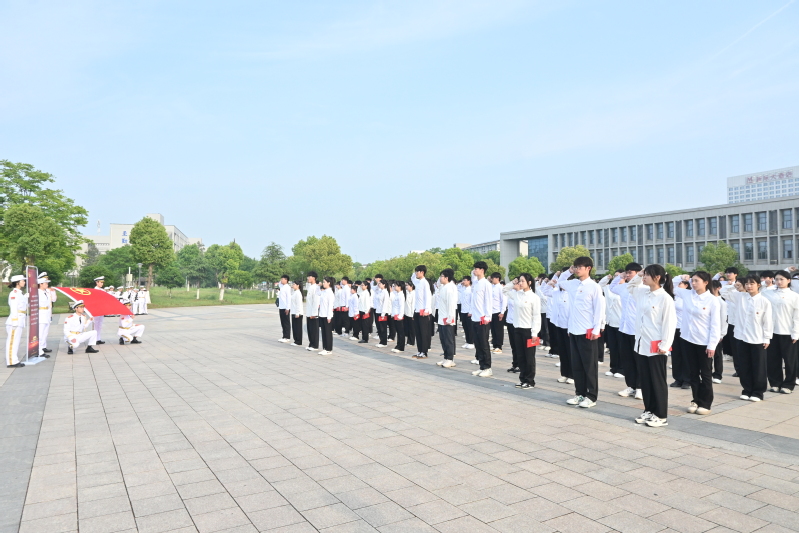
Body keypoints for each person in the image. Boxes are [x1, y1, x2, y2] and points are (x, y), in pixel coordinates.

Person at [625, 265, 677, 427]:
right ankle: (649, 410)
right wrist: (639, 274)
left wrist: (665, 344)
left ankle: (661, 415)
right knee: (646, 380)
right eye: (644, 274)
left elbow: (669, 324)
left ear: (657, 277)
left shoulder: (665, 298)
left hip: (656, 346)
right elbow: (630, 286)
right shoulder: (642, 292)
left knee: (657, 381)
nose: (644, 277)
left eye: (647, 275)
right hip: (642, 344)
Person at [558, 257, 606, 408]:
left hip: (588, 331)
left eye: (580, 267)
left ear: (588, 268)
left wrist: (597, 329)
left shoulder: (594, 287)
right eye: (575, 267)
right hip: (573, 330)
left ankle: (591, 396)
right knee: (577, 365)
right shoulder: (573, 284)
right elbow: (560, 281)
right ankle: (580, 394)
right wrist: (568, 271)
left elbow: (599, 309)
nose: (577, 269)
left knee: (589, 366)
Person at [675, 272, 721, 415]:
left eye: (696, 281)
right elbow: (670, 286)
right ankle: (695, 400)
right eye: (692, 280)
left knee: (705, 373)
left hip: (704, 342)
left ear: (706, 282)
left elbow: (715, 325)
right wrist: (681, 277)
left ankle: (706, 403)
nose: (693, 283)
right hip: (687, 339)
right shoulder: (687, 294)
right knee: (692, 372)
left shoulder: (712, 300)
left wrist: (712, 345)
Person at [722, 275, 772, 401]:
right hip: (741, 337)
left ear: (758, 285)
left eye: (752, 283)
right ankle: (747, 389)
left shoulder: (764, 301)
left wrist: (767, 338)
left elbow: (768, 321)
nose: (749, 286)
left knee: (758, 367)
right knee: (744, 365)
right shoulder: (740, 297)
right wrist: (733, 285)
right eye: (747, 284)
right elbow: (723, 292)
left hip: (757, 338)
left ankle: (758, 392)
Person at [761, 270, 799, 394]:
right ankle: (775, 383)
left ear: (789, 280)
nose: (779, 281)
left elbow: (797, 316)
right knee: (772, 359)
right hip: (771, 332)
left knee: (790, 360)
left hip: (788, 332)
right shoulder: (767, 293)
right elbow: (756, 290)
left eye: (782, 279)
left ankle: (788, 384)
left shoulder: (794, 296)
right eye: (776, 279)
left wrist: (796, 333)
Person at [610, 263, 644, 398]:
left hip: (638, 330)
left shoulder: (644, 288)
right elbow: (612, 287)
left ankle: (641, 387)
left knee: (639, 360)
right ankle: (631, 386)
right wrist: (620, 277)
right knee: (627, 360)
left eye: (630, 272)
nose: (628, 275)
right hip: (624, 329)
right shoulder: (624, 287)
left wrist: (639, 277)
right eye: (627, 272)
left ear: (638, 273)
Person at [504, 273, 541, 389]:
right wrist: (512, 282)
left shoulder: (534, 297)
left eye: (522, 281)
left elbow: (536, 316)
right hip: (517, 329)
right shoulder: (517, 294)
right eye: (519, 281)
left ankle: (530, 380)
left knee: (529, 357)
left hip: (528, 331)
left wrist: (535, 333)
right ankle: (522, 378)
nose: (520, 283)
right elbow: (504, 290)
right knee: (520, 355)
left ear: (529, 283)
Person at [469, 261, 495, 377]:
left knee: (484, 344)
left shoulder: (486, 284)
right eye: (474, 269)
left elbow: (488, 301)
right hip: (475, 318)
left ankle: (488, 367)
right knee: (478, 343)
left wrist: (488, 316)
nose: (474, 271)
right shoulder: (476, 283)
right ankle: (481, 366)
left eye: (476, 269)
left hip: (482, 318)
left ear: (482, 270)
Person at [599, 270, 623, 377]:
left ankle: (622, 369)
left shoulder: (626, 289)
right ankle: (613, 368)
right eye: (615, 276)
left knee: (621, 348)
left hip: (621, 323)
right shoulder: (609, 288)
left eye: (620, 276)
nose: (617, 278)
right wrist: (607, 278)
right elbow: (599, 285)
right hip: (610, 322)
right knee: (613, 347)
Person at [670, 279, 692, 389]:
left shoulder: (689, 296)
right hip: (675, 329)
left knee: (686, 355)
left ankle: (687, 380)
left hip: (686, 329)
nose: (678, 285)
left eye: (681, 283)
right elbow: (671, 284)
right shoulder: (675, 296)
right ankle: (678, 378)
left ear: (687, 285)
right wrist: (679, 278)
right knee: (676, 355)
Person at [436, 269, 458, 368]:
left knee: (448, 339)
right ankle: (445, 357)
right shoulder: (443, 287)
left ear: (446, 278)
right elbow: (438, 284)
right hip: (441, 318)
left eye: (441, 276)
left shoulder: (449, 288)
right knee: (443, 339)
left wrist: (450, 318)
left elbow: (451, 305)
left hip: (447, 318)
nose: (440, 278)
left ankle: (450, 359)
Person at [5, 275, 27, 368]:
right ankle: (11, 362)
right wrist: (15, 321)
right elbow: (13, 308)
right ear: (17, 282)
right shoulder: (13, 293)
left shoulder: (20, 293)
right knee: (12, 342)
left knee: (16, 342)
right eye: (23, 281)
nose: (24, 282)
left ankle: (14, 360)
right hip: (15, 321)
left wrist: (26, 297)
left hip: (20, 320)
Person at [410, 266, 432, 359]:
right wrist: (414, 272)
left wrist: (426, 310)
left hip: (423, 311)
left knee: (424, 332)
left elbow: (428, 297)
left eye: (417, 272)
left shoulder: (425, 283)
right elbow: (412, 278)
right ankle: (419, 351)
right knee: (418, 332)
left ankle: (424, 352)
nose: (416, 273)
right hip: (417, 310)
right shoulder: (418, 282)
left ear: (422, 272)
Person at [709, 280, 728, 384]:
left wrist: (721, 334)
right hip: (706, 332)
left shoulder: (722, 302)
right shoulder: (708, 300)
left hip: (717, 332)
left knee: (717, 354)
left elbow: (723, 319)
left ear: (718, 288)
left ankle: (717, 374)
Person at [37, 273, 56, 358]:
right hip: (41, 314)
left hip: (47, 314)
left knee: (44, 333)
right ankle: (39, 351)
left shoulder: (46, 292)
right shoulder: (37, 292)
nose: (47, 284)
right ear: (40, 284)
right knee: (40, 334)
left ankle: (42, 348)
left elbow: (52, 301)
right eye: (45, 283)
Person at [504, 277, 520, 373]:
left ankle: (520, 365)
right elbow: (504, 289)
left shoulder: (522, 295)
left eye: (517, 283)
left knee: (519, 345)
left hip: (518, 323)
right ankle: (515, 364)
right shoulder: (512, 293)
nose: (515, 284)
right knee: (513, 345)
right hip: (510, 322)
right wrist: (512, 282)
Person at [318, 277, 335, 355]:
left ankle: (329, 349)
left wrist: (329, 316)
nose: (323, 283)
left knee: (328, 332)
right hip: (322, 314)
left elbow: (330, 306)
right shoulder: (324, 292)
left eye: (324, 282)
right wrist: (318, 286)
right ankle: (325, 348)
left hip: (327, 315)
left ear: (329, 283)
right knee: (323, 332)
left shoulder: (330, 293)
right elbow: (317, 293)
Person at [489, 273, 506, 354]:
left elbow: (504, 301)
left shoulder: (501, 288)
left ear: (497, 278)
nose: (491, 279)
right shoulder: (491, 287)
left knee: (498, 330)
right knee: (493, 329)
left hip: (498, 311)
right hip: (491, 311)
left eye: (492, 278)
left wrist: (502, 312)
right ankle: (494, 345)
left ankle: (499, 346)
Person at [305, 271, 321, 352]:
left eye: (309, 276)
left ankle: (315, 345)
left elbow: (316, 302)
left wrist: (314, 314)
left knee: (314, 330)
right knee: (310, 329)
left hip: (313, 313)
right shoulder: (310, 287)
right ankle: (311, 344)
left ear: (314, 278)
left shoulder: (316, 288)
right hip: (309, 312)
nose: (308, 278)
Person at [374, 278, 391, 348]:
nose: (378, 285)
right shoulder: (379, 291)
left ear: (384, 285)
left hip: (382, 312)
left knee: (383, 328)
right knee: (379, 327)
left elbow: (385, 303)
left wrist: (383, 313)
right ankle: (381, 341)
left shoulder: (385, 292)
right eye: (378, 283)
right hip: (378, 311)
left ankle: (384, 342)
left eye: (380, 283)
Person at [390, 281, 406, 353]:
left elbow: (401, 306)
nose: (394, 287)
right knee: (398, 332)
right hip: (395, 315)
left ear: (400, 287)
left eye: (396, 286)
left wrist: (400, 315)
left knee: (400, 332)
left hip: (399, 316)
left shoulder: (401, 295)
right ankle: (398, 345)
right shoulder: (396, 294)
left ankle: (401, 347)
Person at [459, 277, 474, 349]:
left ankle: (471, 342)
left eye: (465, 280)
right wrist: (461, 284)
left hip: (469, 311)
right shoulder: (463, 289)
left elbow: (472, 301)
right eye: (463, 280)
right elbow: (458, 288)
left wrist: (471, 311)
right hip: (463, 310)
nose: (463, 281)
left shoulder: (471, 290)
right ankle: (467, 341)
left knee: (470, 328)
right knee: (465, 327)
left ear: (469, 281)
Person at [92, 276, 107, 344]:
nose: (102, 284)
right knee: (95, 324)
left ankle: (98, 338)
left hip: (101, 308)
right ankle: (94, 339)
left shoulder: (102, 290)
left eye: (102, 282)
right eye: (101, 282)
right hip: (96, 309)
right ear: (97, 282)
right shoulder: (94, 290)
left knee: (100, 324)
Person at [277, 275, 292, 343]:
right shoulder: (282, 286)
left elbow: (289, 298)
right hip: (281, 307)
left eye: (283, 279)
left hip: (285, 308)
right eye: (281, 279)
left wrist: (288, 308)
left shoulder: (287, 287)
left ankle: (287, 337)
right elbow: (279, 283)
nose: (281, 280)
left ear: (286, 280)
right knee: (282, 322)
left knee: (286, 322)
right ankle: (284, 336)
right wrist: (281, 281)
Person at [290, 280, 304, 346]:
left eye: (294, 284)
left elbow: (299, 304)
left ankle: (298, 341)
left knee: (298, 328)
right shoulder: (294, 292)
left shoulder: (298, 293)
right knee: (294, 327)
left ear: (298, 285)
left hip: (297, 313)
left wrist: (297, 313)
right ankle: (296, 340)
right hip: (293, 312)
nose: (292, 285)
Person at [403, 280, 415, 348]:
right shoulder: (406, 293)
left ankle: (411, 341)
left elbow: (413, 305)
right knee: (407, 328)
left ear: (411, 286)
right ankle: (408, 341)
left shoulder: (414, 293)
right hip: (406, 313)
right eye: (406, 285)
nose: (406, 287)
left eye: (407, 285)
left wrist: (413, 314)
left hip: (411, 314)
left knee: (412, 328)